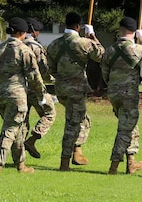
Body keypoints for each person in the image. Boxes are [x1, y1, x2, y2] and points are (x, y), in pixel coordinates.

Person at [0, 17, 45, 174]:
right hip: (16, 97)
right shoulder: (24, 50)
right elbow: (34, 76)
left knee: (18, 130)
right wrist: (42, 95)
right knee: (10, 129)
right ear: (22, 33)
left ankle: (21, 165)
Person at [45, 11, 104, 171]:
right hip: (76, 90)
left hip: (61, 89)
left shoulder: (54, 44)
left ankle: (77, 151)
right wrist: (92, 36)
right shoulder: (83, 43)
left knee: (83, 120)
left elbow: (50, 68)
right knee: (73, 124)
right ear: (78, 26)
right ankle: (65, 162)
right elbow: (101, 55)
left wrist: (61, 79)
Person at [100, 16, 142, 175]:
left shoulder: (110, 50)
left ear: (120, 30)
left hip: (113, 93)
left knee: (130, 125)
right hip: (129, 94)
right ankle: (114, 165)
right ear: (135, 32)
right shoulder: (137, 49)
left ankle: (131, 162)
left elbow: (105, 73)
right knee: (125, 129)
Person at [22, 17, 56, 159]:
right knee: (50, 113)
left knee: (22, 123)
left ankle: (19, 158)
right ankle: (32, 140)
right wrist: (53, 80)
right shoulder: (35, 47)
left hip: (19, 89)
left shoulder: (17, 44)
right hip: (35, 88)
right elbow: (43, 70)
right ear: (34, 31)